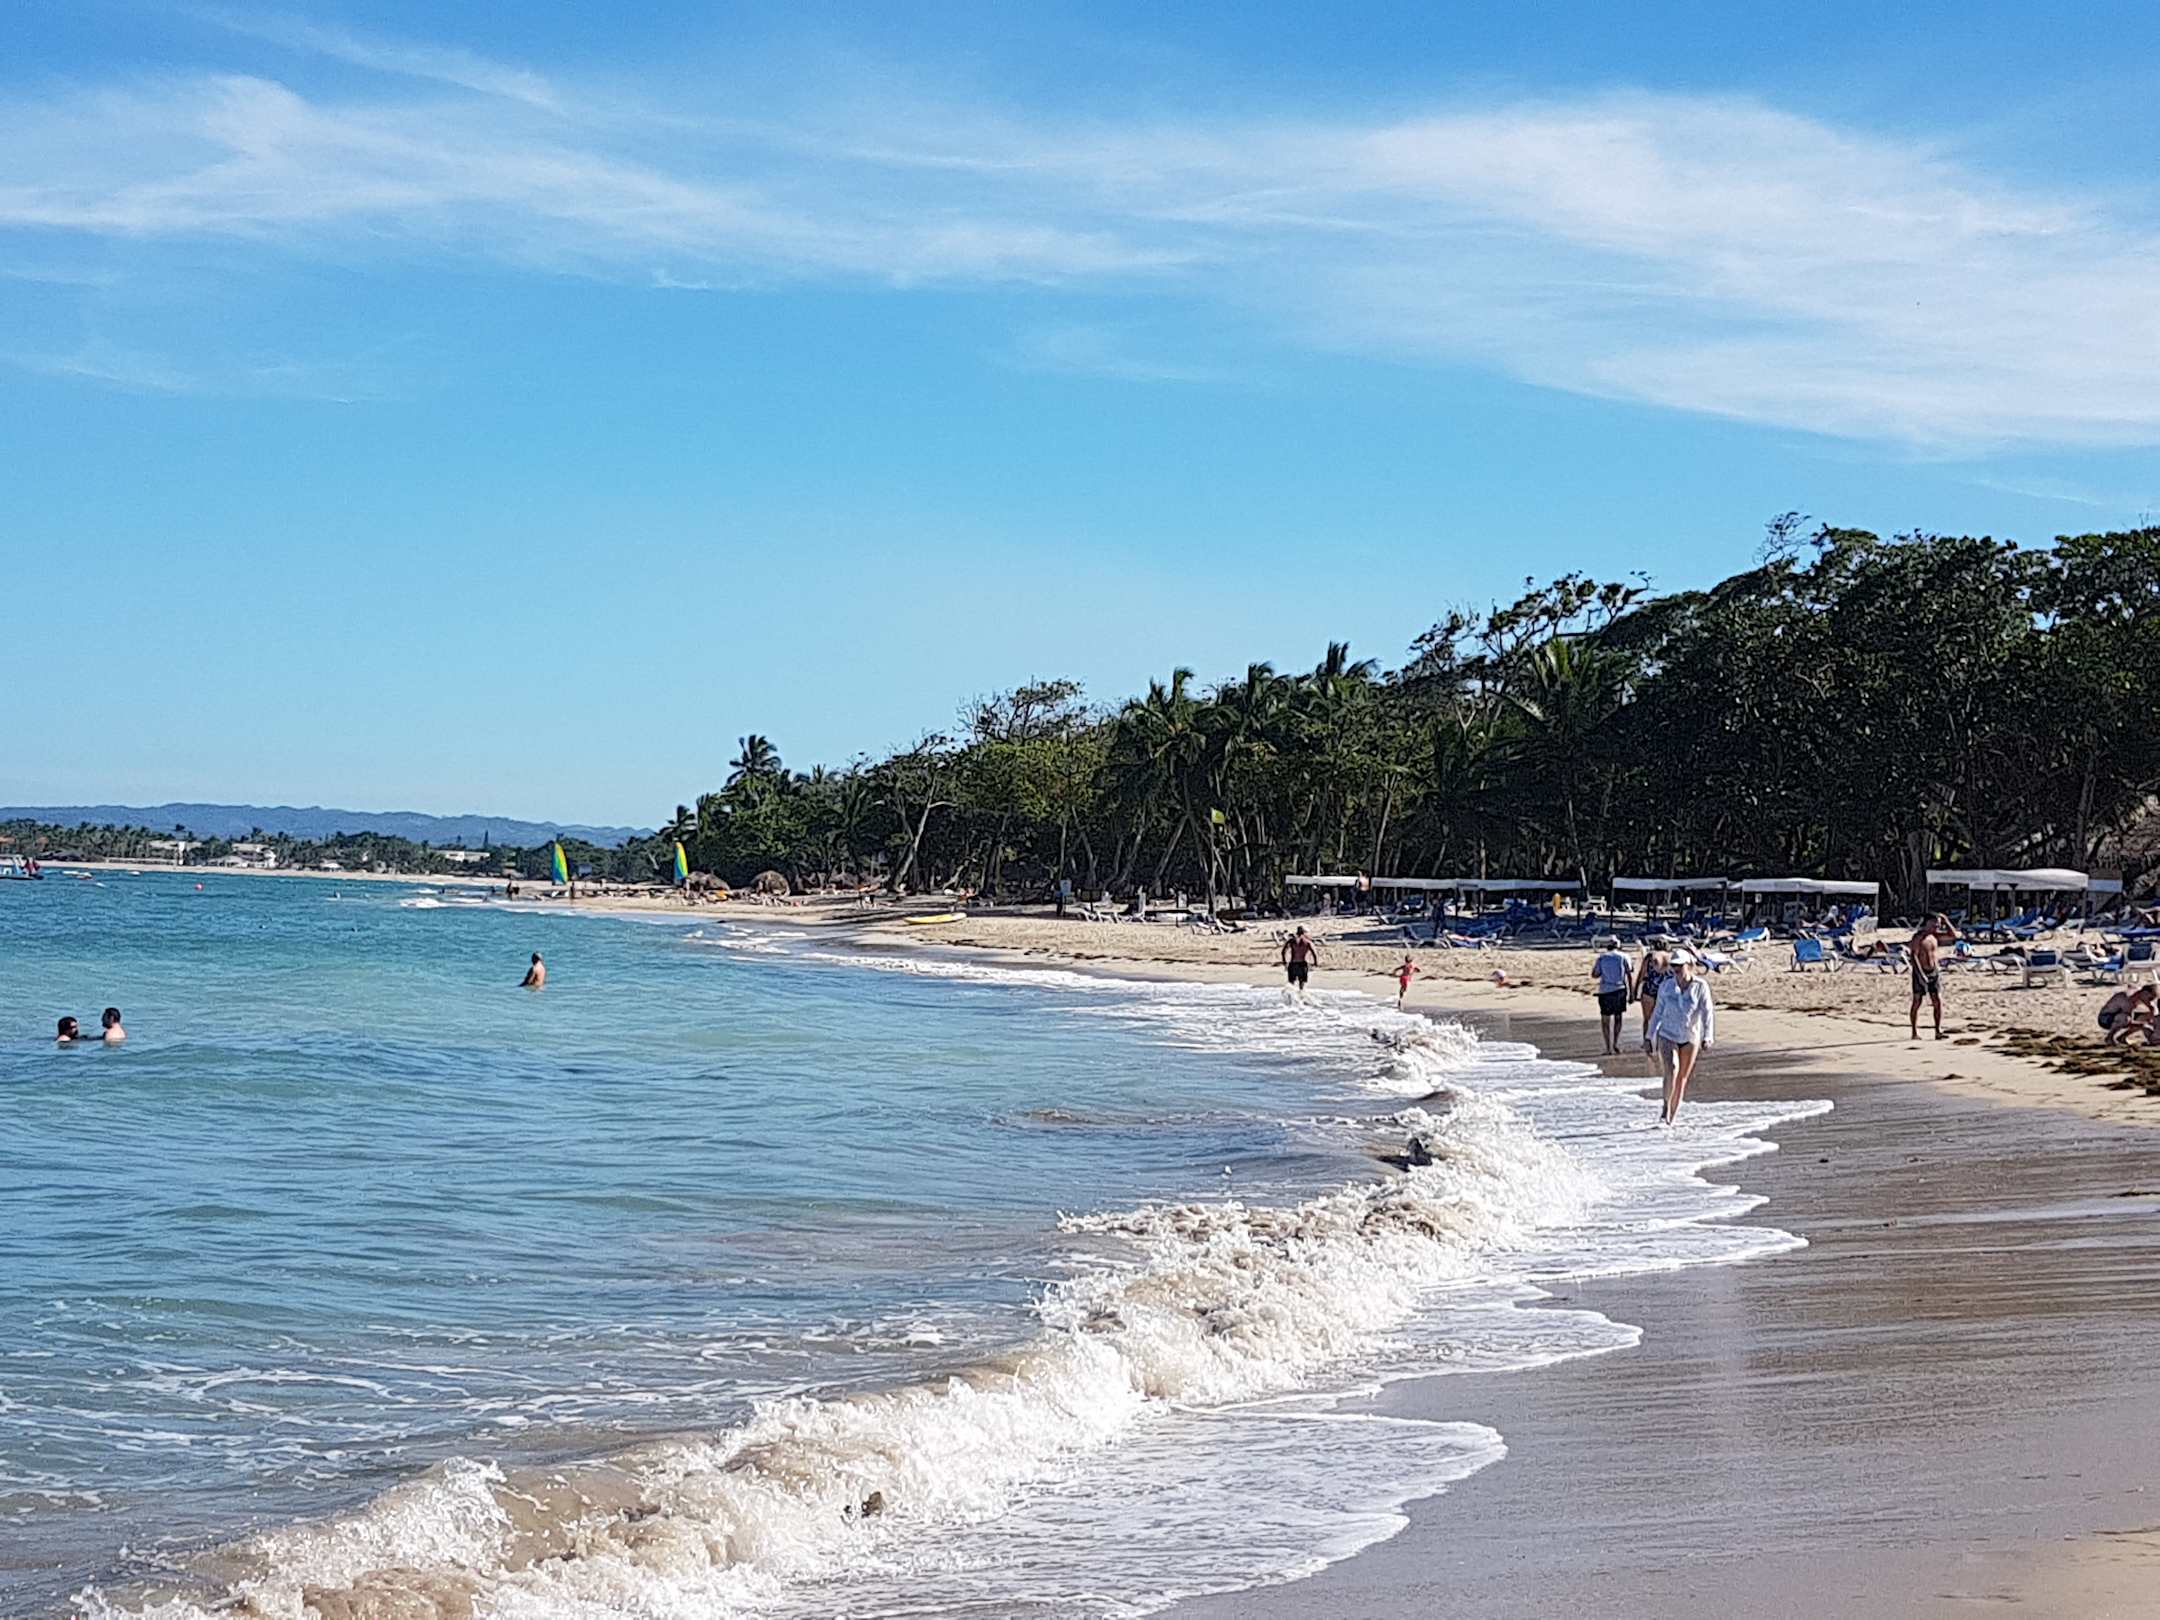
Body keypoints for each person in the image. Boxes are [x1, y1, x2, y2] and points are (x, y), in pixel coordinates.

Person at [1650, 950, 1715, 1124]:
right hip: (1667, 1034)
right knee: (1671, 1068)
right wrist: (1649, 1036)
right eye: (1674, 965)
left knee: (1682, 1078)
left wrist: (1708, 1036)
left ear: (1689, 965)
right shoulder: (1666, 986)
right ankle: (1666, 1106)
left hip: (1690, 1036)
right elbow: (1657, 1012)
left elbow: (1707, 1012)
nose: (1676, 968)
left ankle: (1671, 1118)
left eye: (1679, 965)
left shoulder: (1700, 986)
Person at [1908, 913, 1962, 1041]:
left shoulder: (1935, 936)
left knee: (1937, 1001)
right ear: (1927, 923)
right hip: (1920, 971)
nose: (1937, 925)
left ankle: (1938, 1031)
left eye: (1938, 923)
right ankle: (1914, 1032)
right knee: (1917, 1001)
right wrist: (1921, 975)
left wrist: (1946, 920)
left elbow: (1954, 935)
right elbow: (1913, 956)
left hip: (1934, 971)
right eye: (1934, 923)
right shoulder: (1918, 937)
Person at [1590, 936, 1634, 1056]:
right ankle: (1615, 1043)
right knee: (1618, 1018)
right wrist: (1632, 993)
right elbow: (1629, 975)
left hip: (1605, 990)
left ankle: (1608, 1047)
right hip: (1620, 989)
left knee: (1605, 1020)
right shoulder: (1624, 956)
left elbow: (1594, 974)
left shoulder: (1602, 957)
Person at [1632, 945, 1673, 1055]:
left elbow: (1642, 974)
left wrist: (1635, 990)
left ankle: (1647, 1042)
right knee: (1663, 1019)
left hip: (1650, 989)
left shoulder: (1650, 956)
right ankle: (1660, 1044)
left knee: (1647, 1019)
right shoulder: (1671, 957)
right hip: (1666, 990)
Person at [1279, 926, 1319, 1000]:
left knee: (1291, 985)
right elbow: (1314, 953)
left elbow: (1283, 951)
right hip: (1303, 964)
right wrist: (1316, 963)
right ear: (1304, 933)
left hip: (1293, 964)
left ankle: (1291, 1001)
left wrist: (1284, 962)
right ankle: (1301, 1001)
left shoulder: (1291, 941)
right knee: (1302, 986)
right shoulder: (1307, 942)